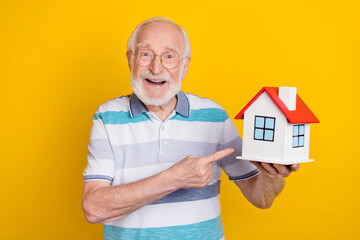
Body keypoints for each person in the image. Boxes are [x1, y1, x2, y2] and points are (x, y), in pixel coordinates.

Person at [82, 17, 299, 240]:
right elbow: (93, 208)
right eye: (146, 54)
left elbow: (260, 199)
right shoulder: (107, 117)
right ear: (130, 60)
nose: (156, 68)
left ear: (184, 66)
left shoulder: (214, 116)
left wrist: (271, 175)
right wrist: (172, 179)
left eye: (169, 56)